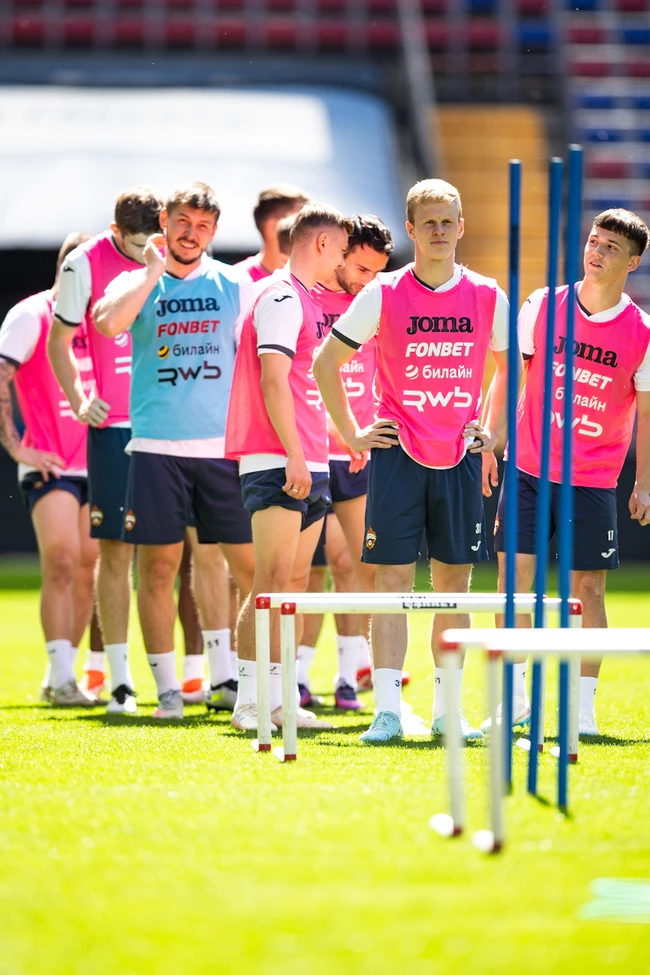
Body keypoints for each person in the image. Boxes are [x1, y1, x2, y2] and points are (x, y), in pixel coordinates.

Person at [314, 178, 511, 744]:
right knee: (392, 581)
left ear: (461, 227)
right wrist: (352, 433)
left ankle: (448, 711)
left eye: (448, 221)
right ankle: (388, 711)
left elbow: (511, 367)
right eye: (429, 223)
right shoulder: (384, 292)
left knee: (455, 583)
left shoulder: (487, 294)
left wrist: (494, 432)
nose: (439, 231)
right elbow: (325, 363)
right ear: (411, 229)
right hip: (398, 455)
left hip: (459, 456)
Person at [93, 181, 255, 720]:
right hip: (155, 447)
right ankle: (167, 692)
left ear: (214, 232)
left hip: (222, 450)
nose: (191, 233)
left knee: (247, 570)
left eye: (203, 226)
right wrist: (151, 274)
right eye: (183, 221)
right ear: (164, 220)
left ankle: (240, 683)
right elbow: (107, 323)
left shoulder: (233, 283)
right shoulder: (137, 278)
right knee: (158, 569)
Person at [489, 208, 650, 736]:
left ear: (632, 263)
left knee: (589, 592)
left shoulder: (642, 332)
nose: (596, 252)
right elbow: (510, 374)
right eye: (594, 241)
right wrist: (492, 438)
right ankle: (514, 700)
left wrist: (644, 484)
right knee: (514, 583)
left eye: (611, 247)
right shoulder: (543, 304)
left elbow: (647, 414)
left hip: (593, 478)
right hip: (528, 467)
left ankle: (581, 711)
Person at [225, 204, 358, 733]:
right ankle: (249, 702)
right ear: (322, 244)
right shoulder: (281, 295)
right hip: (278, 458)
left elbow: (302, 386)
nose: (344, 261)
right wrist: (295, 454)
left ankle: (278, 700)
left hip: (307, 457)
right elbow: (273, 380)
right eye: (342, 249)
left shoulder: (302, 296)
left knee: (295, 585)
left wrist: (332, 441)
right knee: (271, 582)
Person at [47, 186, 163, 712]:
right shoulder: (83, 263)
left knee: (187, 553)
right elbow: (59, 341)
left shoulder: (177, 253)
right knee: (115, 550)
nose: (148, 252)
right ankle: (119, 680)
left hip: (172, 425)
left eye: (153, 241)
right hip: (114, 427)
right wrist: (78, 399)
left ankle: (198, 678)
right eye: (137, 244)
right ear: (116, 232)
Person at [0, 232, 101, 706]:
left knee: (87, 568)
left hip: (99, 461)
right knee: (61, 560)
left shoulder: (105, 319)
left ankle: (61, 674)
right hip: (51, 462)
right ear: (67, 270)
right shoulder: (31, 314)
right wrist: (16, 447)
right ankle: (61, 677)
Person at [302, 214, 394, 710]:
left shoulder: (377, 303)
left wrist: (366, 433)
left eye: (377, 272)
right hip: (310, 453)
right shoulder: (305, 297)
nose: (367, 281)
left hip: (359, 456)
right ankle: (295, 677)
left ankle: (348, 676)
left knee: (355, 565)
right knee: (303, 572)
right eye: (360, 268)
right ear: (339, 254)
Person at [233, 186, 309, 281]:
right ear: (273, 226)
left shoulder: (317, 280)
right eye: (300, 221)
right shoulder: (235, 280)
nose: (308, 228)